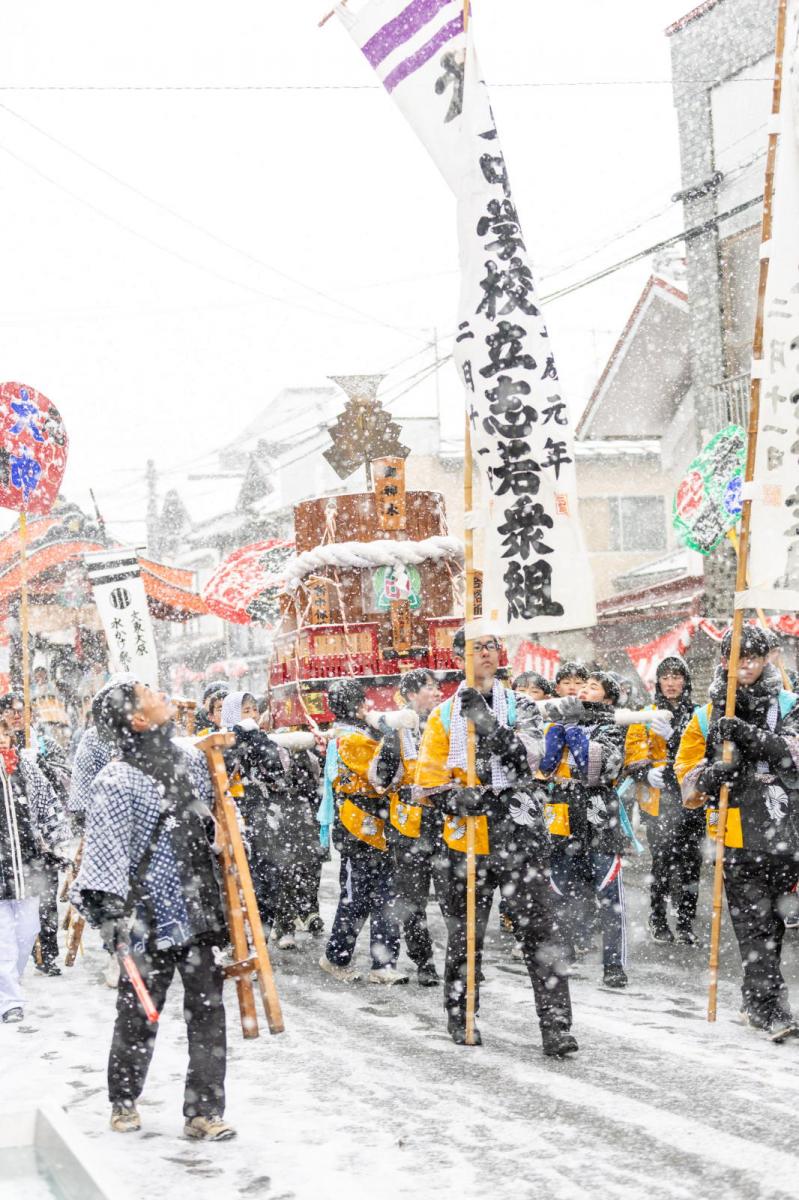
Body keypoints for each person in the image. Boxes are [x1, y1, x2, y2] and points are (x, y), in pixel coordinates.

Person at [73, 681, 234, 1139]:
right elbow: (105, 854)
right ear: (138, 720)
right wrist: (108, 918)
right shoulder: (116, 779)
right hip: (147, 916)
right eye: (150, 695)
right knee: (139, 1014)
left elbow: (214, 810)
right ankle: (123, 1099)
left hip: (200, 907)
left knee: (208, 1012)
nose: (163, 695)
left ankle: (204, 1111)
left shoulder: (191, 760)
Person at [415, 629, 576, 1055]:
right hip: (467, 838)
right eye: (474, 648)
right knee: (466, 934)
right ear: (456, 656)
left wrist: (487, 724)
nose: (485, 654)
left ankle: (556, 1025)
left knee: (540, 931)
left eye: (490, 646)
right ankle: (461, 1013)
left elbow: (531, 758)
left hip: (519, 834)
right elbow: (428, 782)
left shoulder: (521, 704)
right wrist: (454, 798)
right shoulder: (443, 716)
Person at [675, 626, 799, 1038]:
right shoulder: (706, 714)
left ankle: (754, 997)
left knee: (774, 925)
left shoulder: (789, 702)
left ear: (767, 658)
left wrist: (750, 736)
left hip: (785, 828)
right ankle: (771, 1006)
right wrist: (712, 774)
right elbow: (686, 783)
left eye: (753, 654)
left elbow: (795, 757)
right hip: (735, 832)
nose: (744, 662)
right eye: (735, 655)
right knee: (753, 923)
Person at [541, 671, 628, 989]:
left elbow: (592, 769)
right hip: (562, 814)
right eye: (582, 686)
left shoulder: (613, 726)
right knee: (560, 890)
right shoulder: (561, 720)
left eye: (593, 687)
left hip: (597, 817)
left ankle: (614, 963)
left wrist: (575, 730)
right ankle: (563, 949)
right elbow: (546, 765)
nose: (582, 690)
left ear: (608, 698)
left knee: (609, 895)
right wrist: (558, 728)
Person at [319, 679, 408, 985]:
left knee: (386, 897)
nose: (366, 707)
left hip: (376, 824)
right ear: (352, 707)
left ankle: (383, 964)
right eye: (361, 702)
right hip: (357, 825)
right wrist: (391, 733)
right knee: (355, 898)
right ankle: (336, 957)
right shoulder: (349, 740)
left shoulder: (355, 735)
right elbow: (379, 771)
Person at [370, 668, 444, 987]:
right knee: (413, 899)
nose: (437, 693)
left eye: (437, 687)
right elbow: (379, 779)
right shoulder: (396, 730)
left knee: (456, 895)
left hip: (447, 821)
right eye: (430, 688)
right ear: (412, 694)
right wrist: (388, 741)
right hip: (409, 827)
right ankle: (423, 960)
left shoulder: (447, 723)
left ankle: (464, 960)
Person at [624, 655, 703, 945]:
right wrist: (645, 772)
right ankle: (657, 919)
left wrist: (676, 737)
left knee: (692, 861)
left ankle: (685, 921)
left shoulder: (698, 714)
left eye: (677, 677)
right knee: (663, 861)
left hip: (690, 795)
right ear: (658, 682)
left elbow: (703, 750)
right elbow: (632, 754)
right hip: (658, 797)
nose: (671, 683)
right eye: (665, 677)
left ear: (686, 681)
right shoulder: (646, 713)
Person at [0, 716, 72, 1022]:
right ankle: (10, 1001)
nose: (2, 738)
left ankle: (9, 982)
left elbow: (49, 807)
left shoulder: (27, 769)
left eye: (5, 733)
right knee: (3, 941)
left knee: (28, 932)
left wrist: (58, 842)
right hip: (1, 868)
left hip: (29, 866)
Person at [219, 692, 293, 943]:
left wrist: (256, 739)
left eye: (253, 710)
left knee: (267, 877)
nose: (251, 715)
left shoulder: (260, 738)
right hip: (229, 819)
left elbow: (277, 769)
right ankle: (238, 939)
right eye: (244, 711)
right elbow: (221, 772)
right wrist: (238, 737)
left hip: (260, 817)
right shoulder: (218, 741)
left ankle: (259, 934)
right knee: (235, 879)